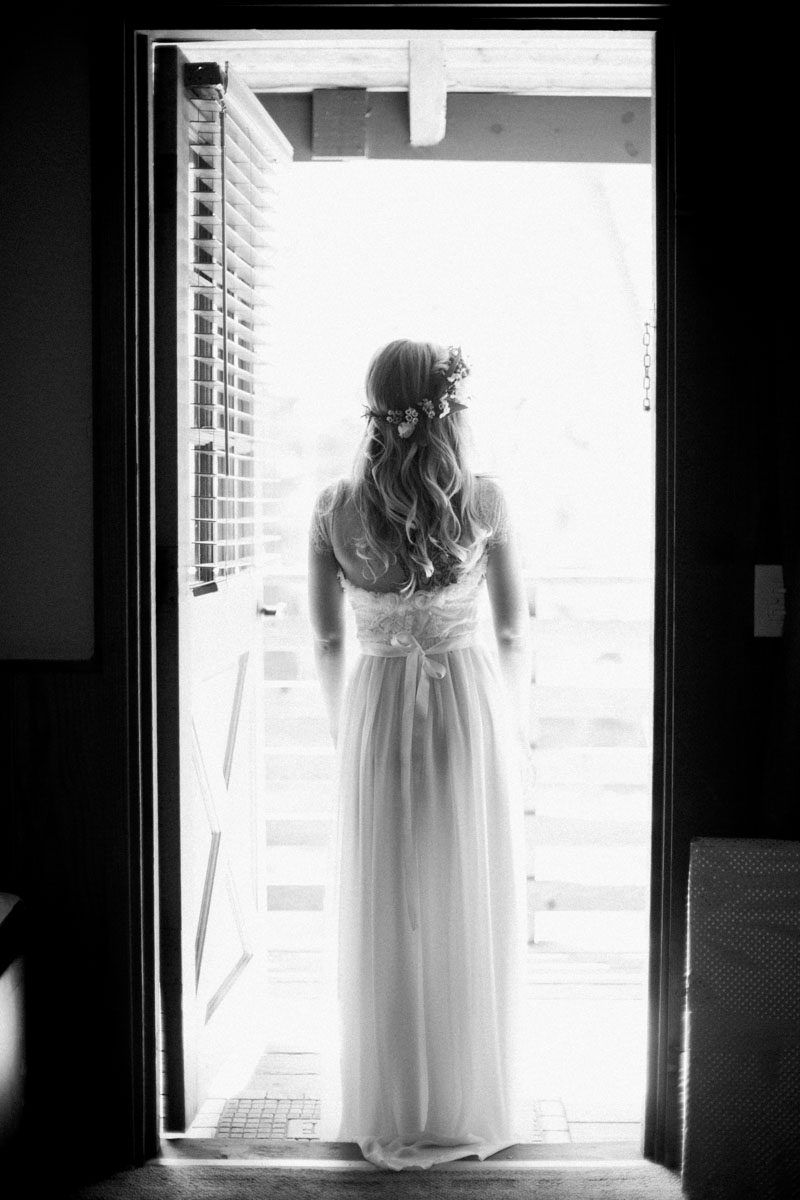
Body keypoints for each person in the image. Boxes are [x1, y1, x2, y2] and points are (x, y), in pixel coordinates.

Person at [307, 339, 531, 1170]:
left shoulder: (333, 509)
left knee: (387, 899)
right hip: (465, 706)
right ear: (450, 408)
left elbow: (328, 641)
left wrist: (348, 734)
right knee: (459, 887)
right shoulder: (485, 503)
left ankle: (393, 1094)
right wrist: (505, 726)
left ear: (375, 408)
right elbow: (509, 629)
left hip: (374, 706)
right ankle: (464, 1093)